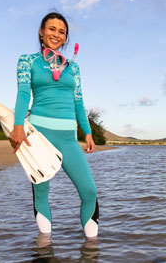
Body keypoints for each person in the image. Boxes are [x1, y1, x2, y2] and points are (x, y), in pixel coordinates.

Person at [9, 12, 99, 238]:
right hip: (39, 135)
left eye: (61, 31)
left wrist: (87, 132)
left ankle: (91, 250)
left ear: (66, 37)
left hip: (68, 137)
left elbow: (79, 102)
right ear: (41, 32)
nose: (56, 34)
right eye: (51, 29)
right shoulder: (27, 60)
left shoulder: (73, 68)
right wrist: (18, 125)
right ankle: (45, 248)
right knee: (41, 193)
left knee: (89, 191)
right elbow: (22, 94)